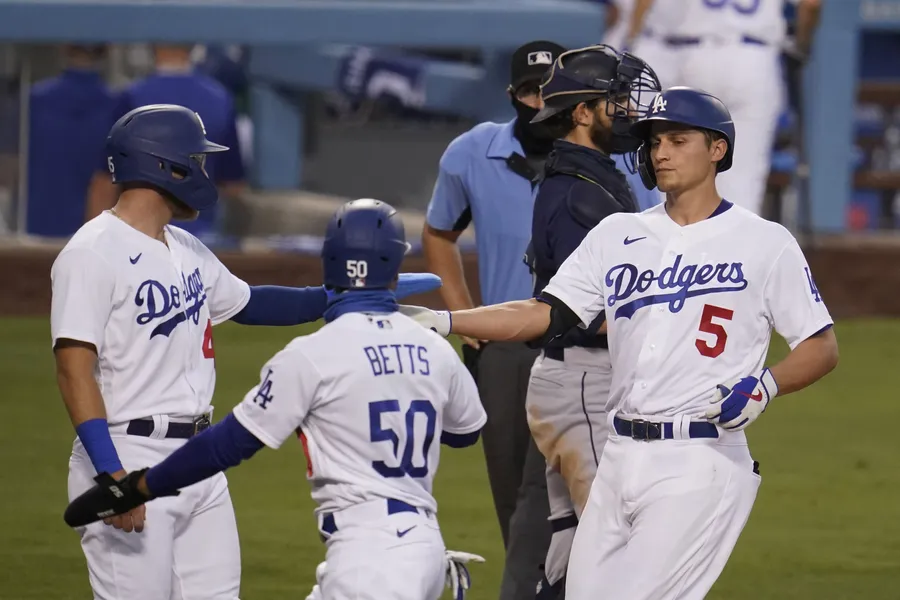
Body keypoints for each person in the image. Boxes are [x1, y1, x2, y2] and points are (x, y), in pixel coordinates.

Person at [397, 87, 839, 599]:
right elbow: (543, 312)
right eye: (655, 142)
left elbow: (820, 345)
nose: (661, 153)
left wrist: (765, 386)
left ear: (717, 149)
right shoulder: (618, 233)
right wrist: (447, 321)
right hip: (618, 455)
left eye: (678, 140)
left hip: (700, 458)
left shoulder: (764, 242)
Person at [51, 104, 440, 600]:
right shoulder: (92, 252)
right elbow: (73, 370)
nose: (205, 170)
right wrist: (113, 476)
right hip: (128, 452)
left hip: (196, 460)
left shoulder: (184, 247)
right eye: (196, 159)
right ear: (165, 165)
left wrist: (350, 293)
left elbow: (252, 303)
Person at [422, 39, 564, 598]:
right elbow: (438, 233)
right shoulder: (472, 153)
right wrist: (464, 314)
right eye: (531, 91)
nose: (541, 103)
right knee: (513, 494)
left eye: (552, 90)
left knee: (583, 490)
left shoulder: (609, 155)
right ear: (512, 95)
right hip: (506, 349)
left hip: (585, 346)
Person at [521, 44, 660, 598]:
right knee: (616, 543)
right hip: (584, 378)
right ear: (582, 112)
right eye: (616, 100)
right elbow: (584, 313)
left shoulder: (592, 180)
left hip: (579, 379)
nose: (629, 111)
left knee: (576, 545)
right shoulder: (580, 194)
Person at [626, 0, 822, 215]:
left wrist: (630, 38)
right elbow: (811, 5)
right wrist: (802, 45)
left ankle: (671, 233)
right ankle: (733, 235)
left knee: (671, 171)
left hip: (689, 50)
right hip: (753, 57)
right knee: (742, 181)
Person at [87, 44, 246, 237]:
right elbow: (233, 185)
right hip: (203, 236)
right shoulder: (220, 98)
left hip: (142, 232)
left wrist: (95, 237)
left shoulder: (133, 96)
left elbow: (105, 180)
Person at [26, 44, 118, 237]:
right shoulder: (117, 106)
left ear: (64, 49)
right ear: (106, 51)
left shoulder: (34, 100)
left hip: (35, 227)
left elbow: (10, 166)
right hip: (93, 234)